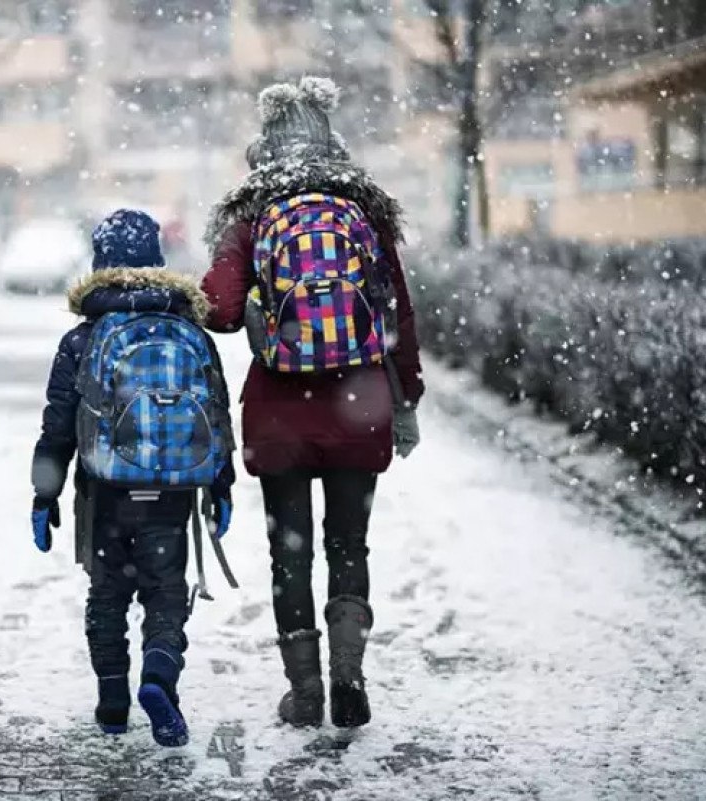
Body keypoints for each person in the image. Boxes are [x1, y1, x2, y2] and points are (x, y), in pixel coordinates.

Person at [200, 77, 425, 730]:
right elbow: (399, 318)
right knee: (349, 543)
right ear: (334, 145)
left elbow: (217, 308)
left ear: (262, 151)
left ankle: (305, 692)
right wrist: (405, 397)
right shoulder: (364, 214)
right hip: (360, 403)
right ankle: (348, 671)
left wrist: (242, 290)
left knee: (290, 553)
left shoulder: (251, 217)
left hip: (280, 414)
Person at [31, 209, 235, 747]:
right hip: (170, 492)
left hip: (105, 493)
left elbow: (58, 427)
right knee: (166, 593)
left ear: (99, 262)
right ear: (157, 261)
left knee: (108, 594)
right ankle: (159, 676)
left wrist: (43, 495)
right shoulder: (188, 328)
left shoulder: (84, 338)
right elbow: (216, 414)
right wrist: (220, 485)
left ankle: (113, 702)